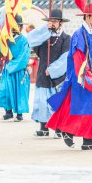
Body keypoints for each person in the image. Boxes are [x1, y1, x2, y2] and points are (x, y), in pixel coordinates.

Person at [46, 3, 92, 150]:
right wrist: (86, 76)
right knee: (81, 107)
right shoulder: (79, 34)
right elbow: (78, 56)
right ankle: (67, 130)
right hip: (84, 77)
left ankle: (88, 140)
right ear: (87, 17)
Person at [26, 9, 70, 138]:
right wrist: (45, 30)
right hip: (43, 74)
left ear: (61, 23)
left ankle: (58, 129)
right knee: (42, 102)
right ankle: (43, 127)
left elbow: (66, 58)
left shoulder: (66, 38)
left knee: (57, 103)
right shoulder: (43, 37)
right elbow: (29, 41)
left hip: (59, 75)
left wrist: (53, 69)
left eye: (55, 21)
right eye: (51, 21)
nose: (53, 23)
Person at [0, 15, 30, 122]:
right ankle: (8, 112)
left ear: (21, 27)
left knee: (19, 91)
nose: (15, 28)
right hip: (8, 69)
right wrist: (1, 35)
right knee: (6, 90)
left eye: (17, 26)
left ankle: (19, 114)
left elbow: (24, 56)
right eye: (13, 26)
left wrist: (12, 66)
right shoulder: (6, 39)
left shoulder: (23, 40)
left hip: (18, 70)